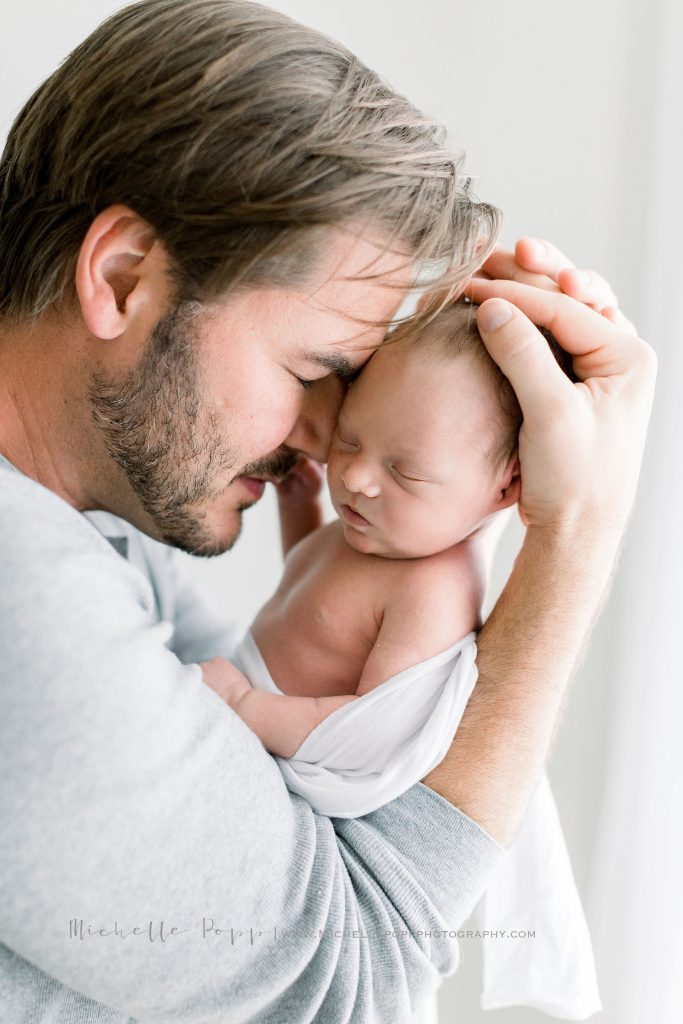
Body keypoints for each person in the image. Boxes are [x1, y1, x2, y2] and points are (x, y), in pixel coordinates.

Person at [0, 2, 656, 1023]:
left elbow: (276, 753)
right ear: (124, 276)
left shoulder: (89, 526)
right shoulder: (20, 595)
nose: (323, 435)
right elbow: (346, 977)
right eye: (315, 369)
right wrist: (570, 536)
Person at [200, 301, 525, 757]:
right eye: (349, 440)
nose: (354, 477)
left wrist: (245, 705)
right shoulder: (387, 530)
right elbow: (315, 599)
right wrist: (300, 510)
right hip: (240, 695)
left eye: (405, 473)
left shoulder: (434, 590)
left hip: (273, 741)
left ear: (505, 486)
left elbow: (366, 733)